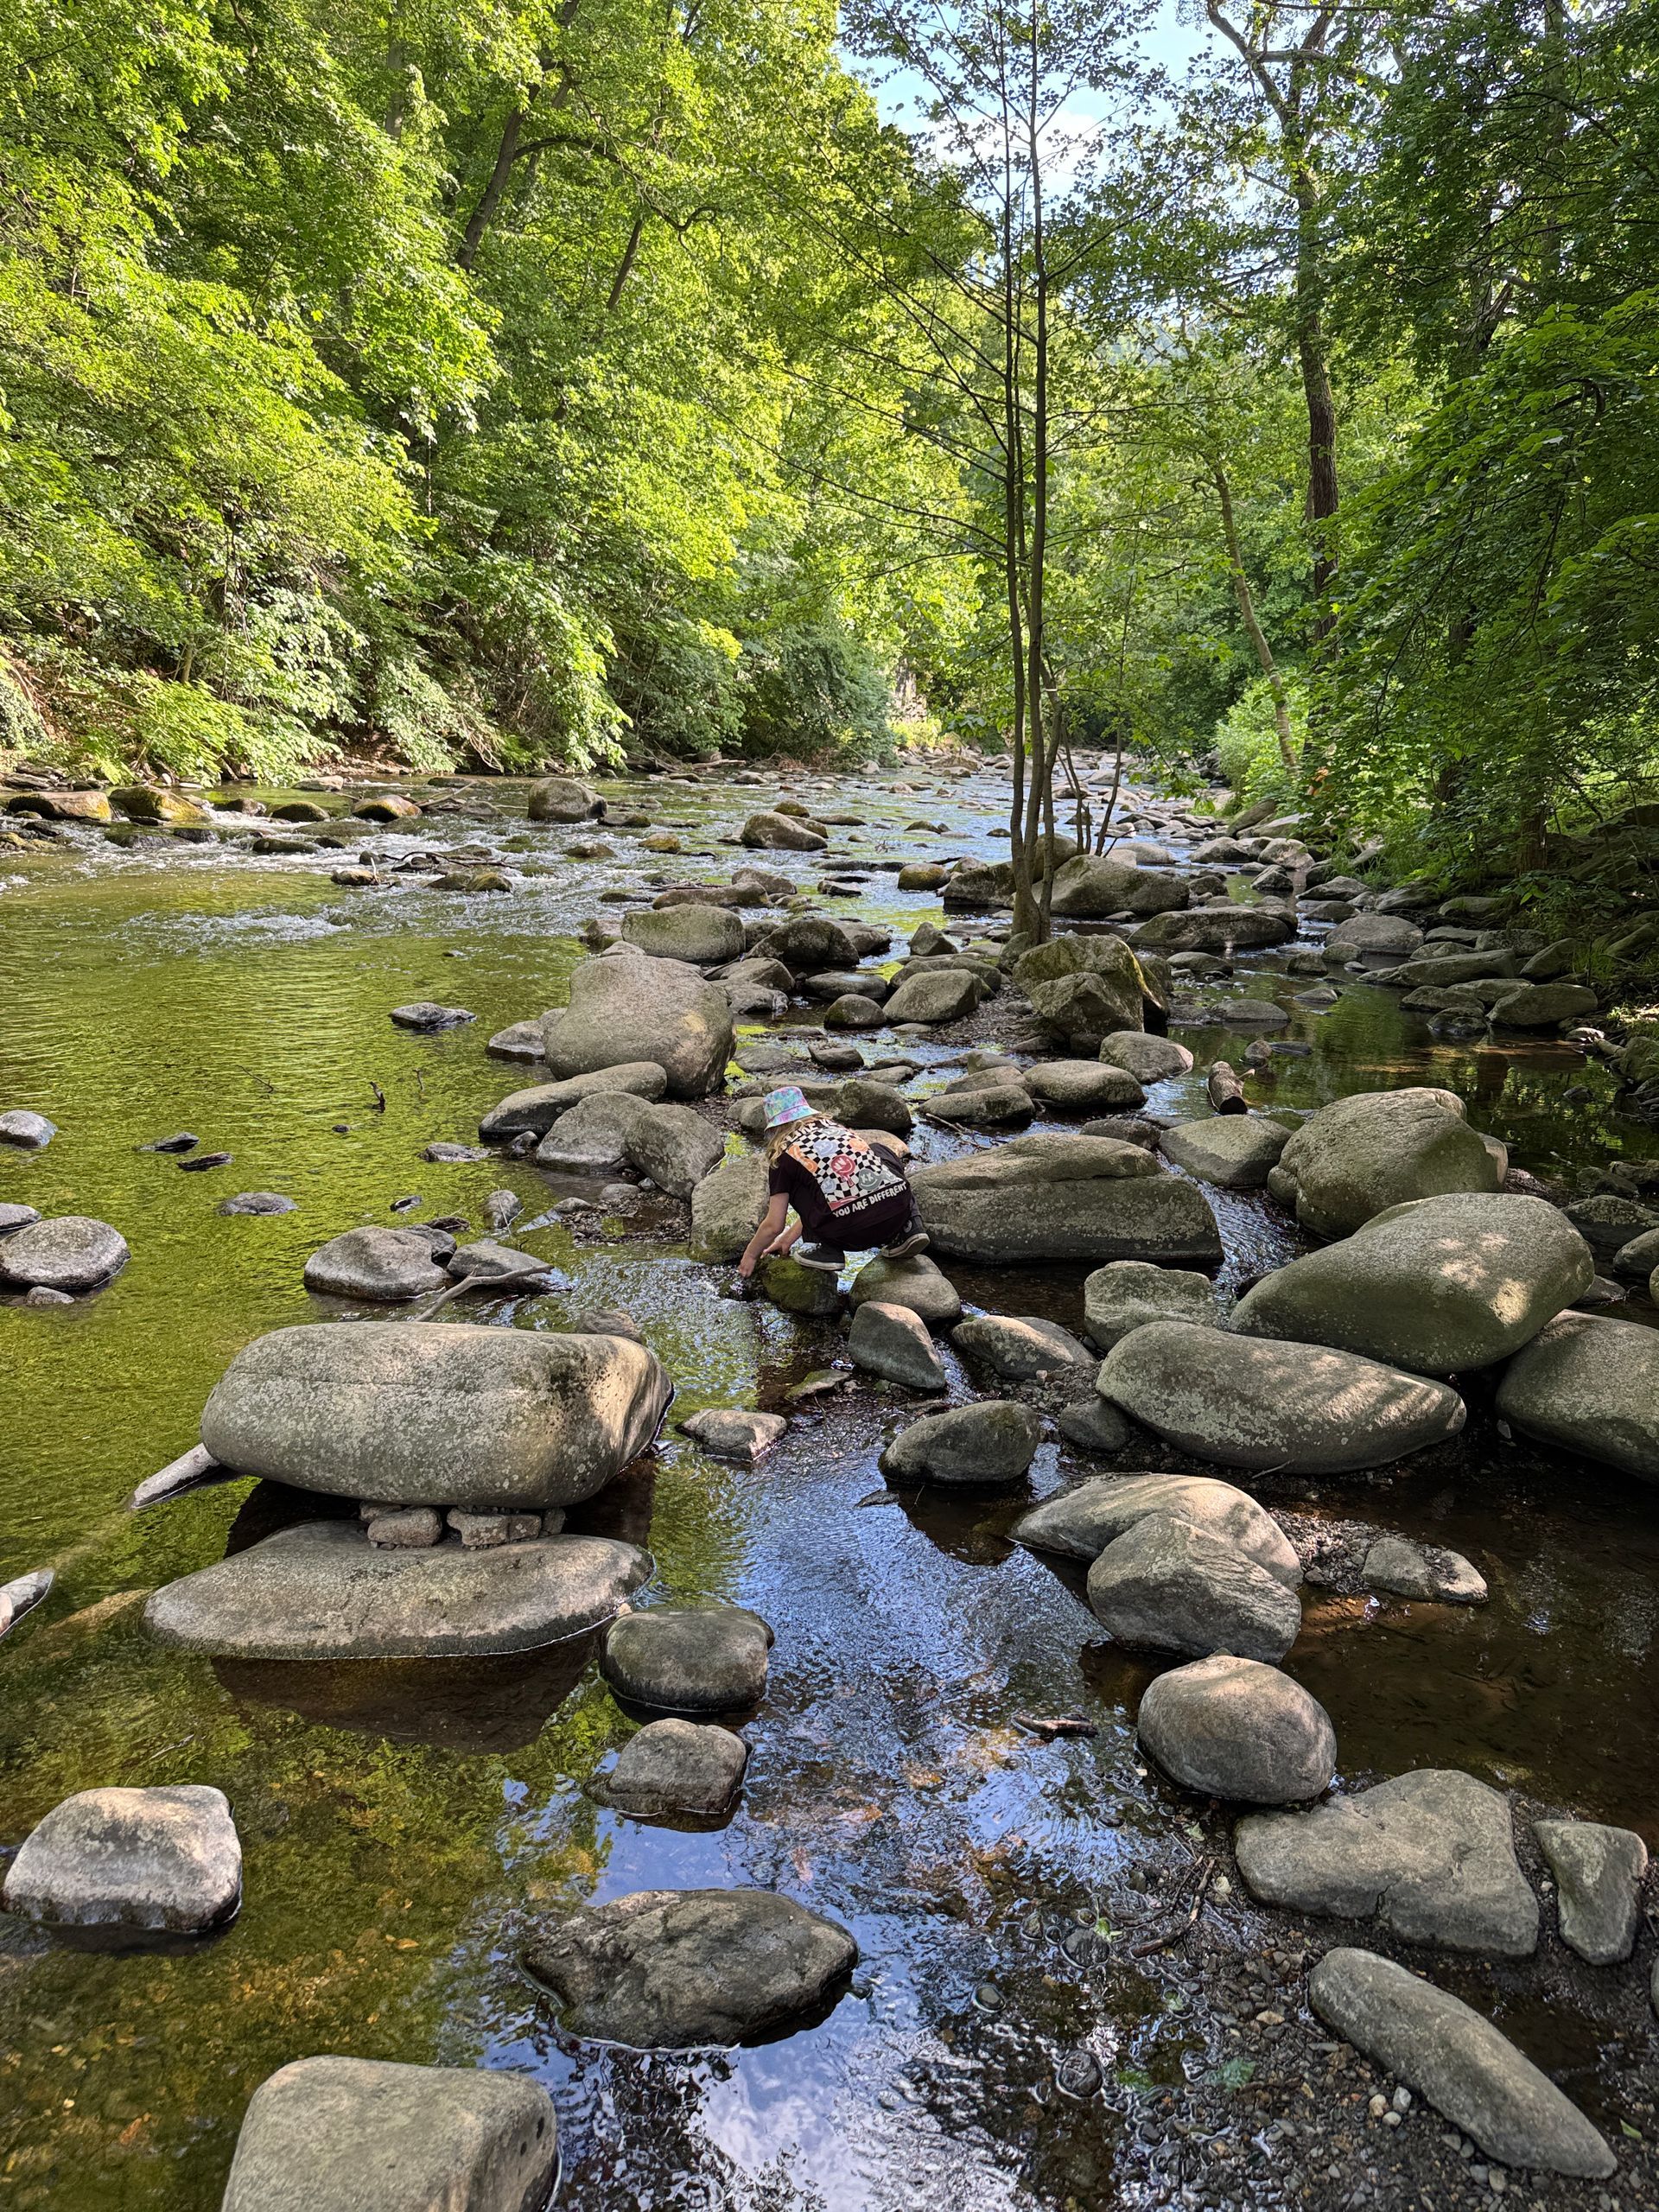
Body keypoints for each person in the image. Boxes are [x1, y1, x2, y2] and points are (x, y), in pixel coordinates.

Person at [736, 1086, 929, 1281]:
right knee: (878, 1150)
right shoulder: (838, 1130)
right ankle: (911, 1226)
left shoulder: (784, 1155)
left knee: (795, 1182)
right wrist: (788, 1238)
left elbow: (774, 1225)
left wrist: (750, 1255)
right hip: (896, 1214)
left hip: (847, 1234)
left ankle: (826, 1249)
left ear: (774, 1128)